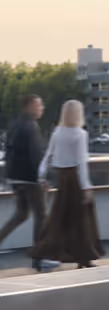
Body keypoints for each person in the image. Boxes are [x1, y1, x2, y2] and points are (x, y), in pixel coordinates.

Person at [31, 99, 104, 269]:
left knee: (60, 218)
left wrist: (41, 177)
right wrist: (86, 188)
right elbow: (81, 164)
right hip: (75, 180)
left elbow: (48, 156)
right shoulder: (80, 134)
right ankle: (84, 258)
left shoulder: (58, 132)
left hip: (62, 179)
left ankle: (48, 253)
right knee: (82, 220)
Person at [1, 93, 60, 269]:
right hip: (30, 179)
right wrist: (41, 179)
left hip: (15, 177)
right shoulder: (31, 127)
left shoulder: (15, 125)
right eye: (39, 105)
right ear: (31, 105)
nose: (42, 108)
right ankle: (39, 258)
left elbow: (9, 151)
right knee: (41, 216)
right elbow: (35, 156)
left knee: (21, 214)